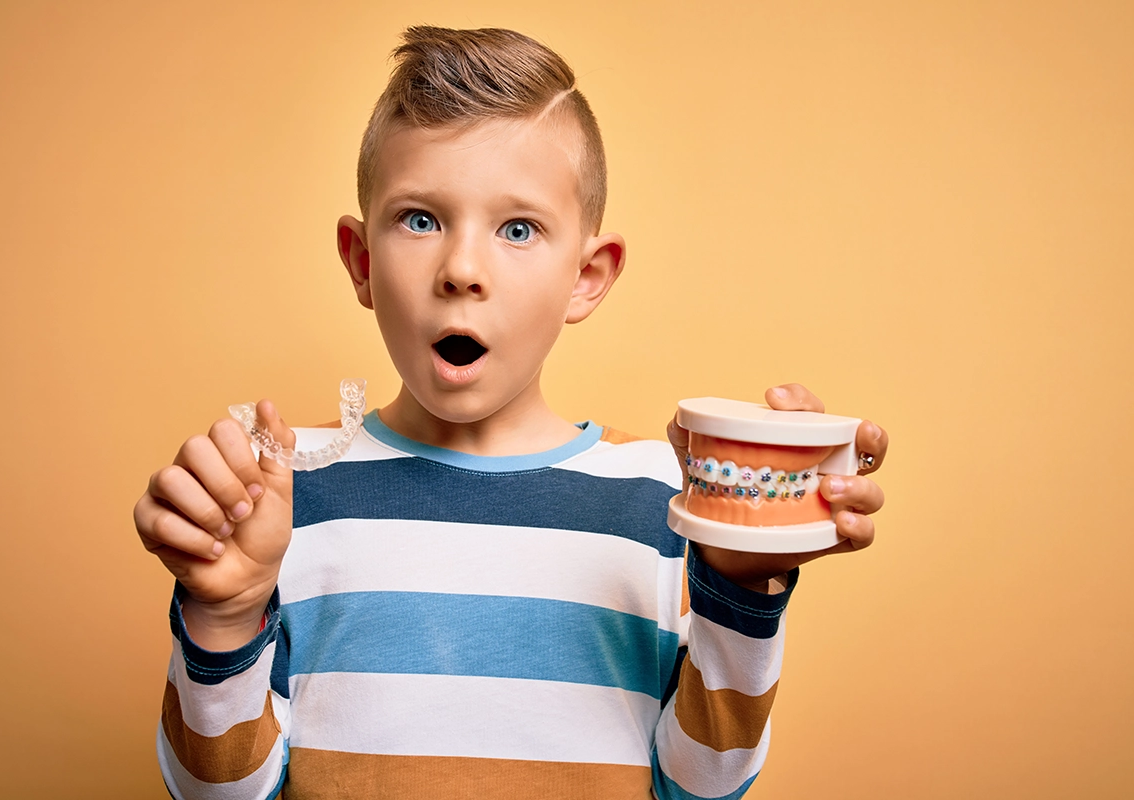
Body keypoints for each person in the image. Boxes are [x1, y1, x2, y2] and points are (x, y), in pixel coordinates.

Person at [133, 26, 888, 800]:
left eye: (517, 229)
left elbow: (703, 786)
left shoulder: (659, 493)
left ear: (586, 277)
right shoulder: (281, 493)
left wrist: (739, 587)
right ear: (362, 262)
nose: (462, 270)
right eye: (420, 219)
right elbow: (217, 795)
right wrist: (224, 616)